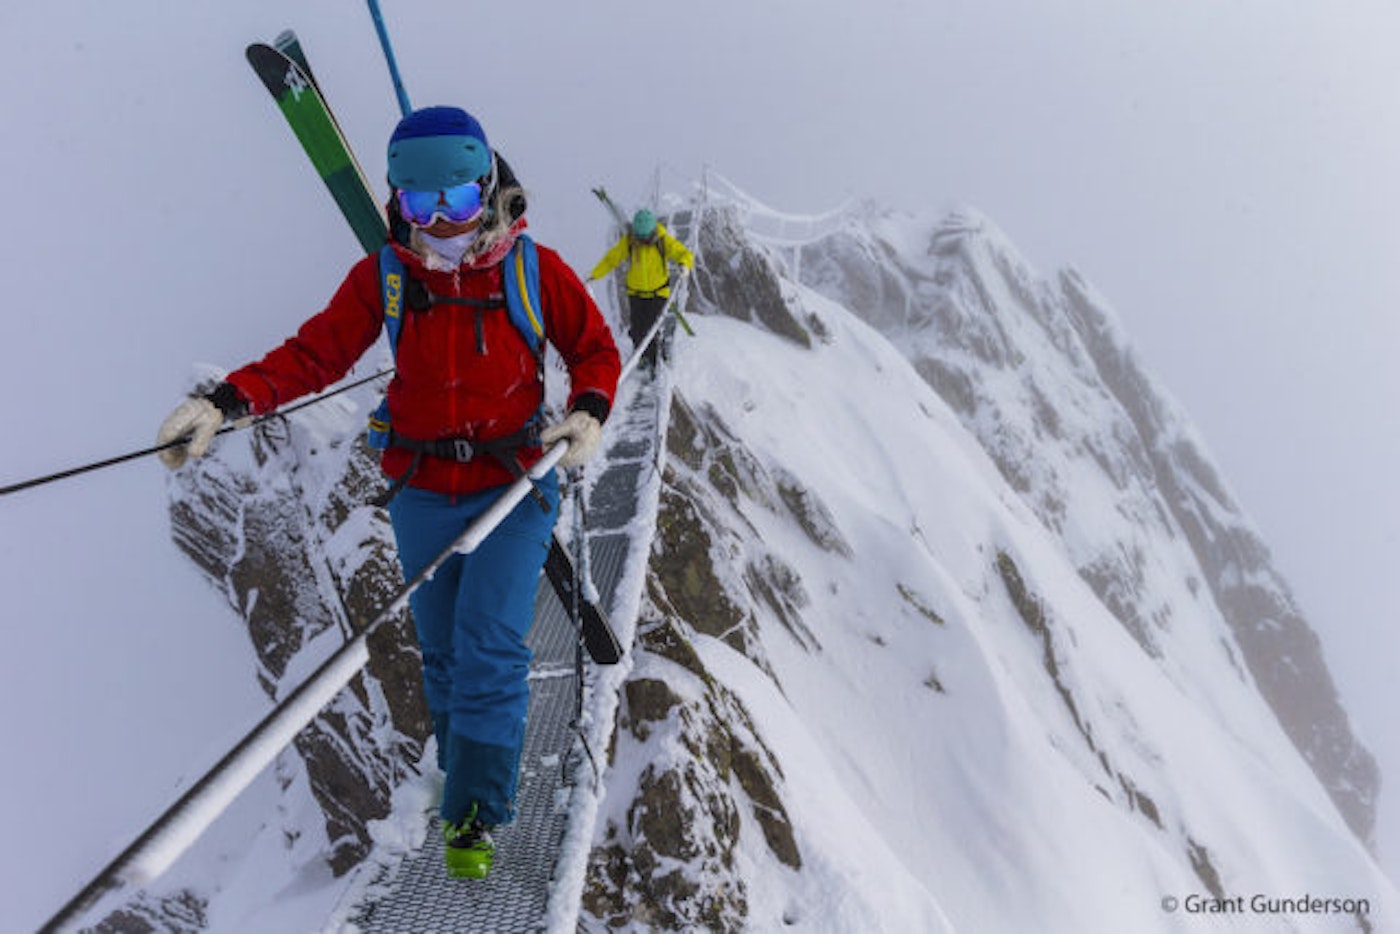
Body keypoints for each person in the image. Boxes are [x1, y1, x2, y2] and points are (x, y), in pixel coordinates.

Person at [155, 106, 620, 881]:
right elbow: (316, 354)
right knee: (440, 652)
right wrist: (226, 402)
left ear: (489, 189)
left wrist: (588, 411)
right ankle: (459, 767)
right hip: (421, 487)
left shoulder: (533, 269)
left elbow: (594, 347)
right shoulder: (387, 277)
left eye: (459, 205)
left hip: (513, 484)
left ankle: (475, 812)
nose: (440, 224)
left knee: (490, 646)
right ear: (395, 202)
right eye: (419, 206)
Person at [587, 208, 694, 367]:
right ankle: (642, 356)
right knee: (637, 329)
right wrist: (593, 274)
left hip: (658, 292)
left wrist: (684, 265)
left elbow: (684, 253)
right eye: (640, 237)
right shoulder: (630, 242)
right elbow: (611, 259)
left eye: (646, 237)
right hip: (636, 293)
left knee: (651, 328)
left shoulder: (663, 241)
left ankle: (654, 360)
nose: (643, 241)